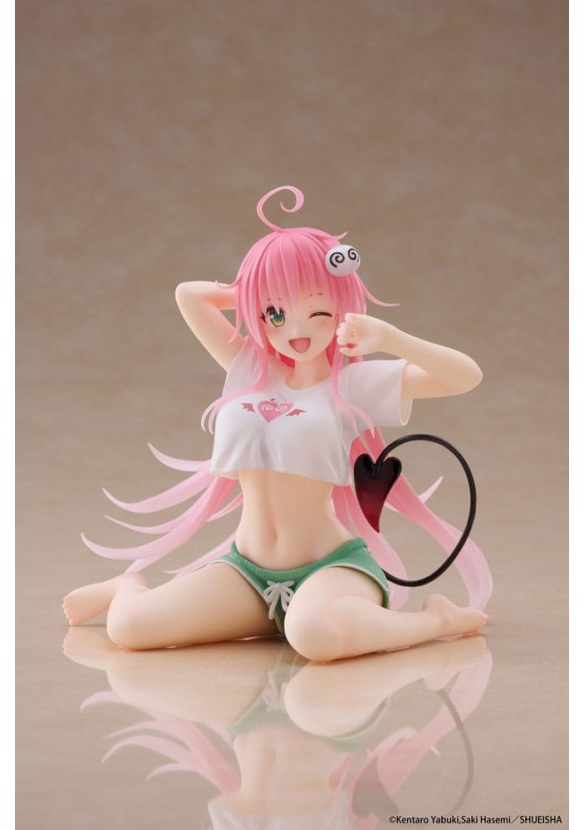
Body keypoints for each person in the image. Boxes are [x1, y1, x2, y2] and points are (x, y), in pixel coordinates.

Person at [63, 186, 490, 662]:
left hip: (330, 568)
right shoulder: (250, 366)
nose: (296, 331)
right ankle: (126, 586)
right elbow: (190, 296)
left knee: (314, 635)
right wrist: (257, 285)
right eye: (276, 314)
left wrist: (389, 337)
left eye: (318, 311)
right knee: (129, 627)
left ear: (341, 308)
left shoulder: (352, 383)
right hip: (246, 573)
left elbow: (465, 376)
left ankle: (437, 620)